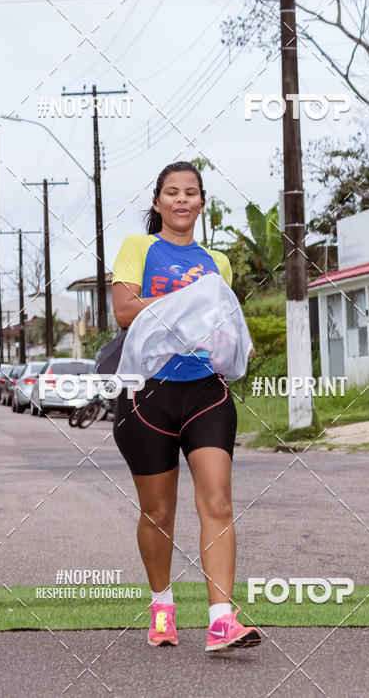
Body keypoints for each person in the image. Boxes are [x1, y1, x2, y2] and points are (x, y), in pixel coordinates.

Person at [112, 161, 261, 654]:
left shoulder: (218, 261)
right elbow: (125, 310)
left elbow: (223, 322)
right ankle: (161, 606)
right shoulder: (139, 247)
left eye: (190, 193)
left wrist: (239, 341)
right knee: (158, 512)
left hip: (205, 389)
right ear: (157, 203)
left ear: (201, 202)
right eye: (171, 193)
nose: (181, 200)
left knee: (217, 502)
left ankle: (222, 620)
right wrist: (188, 299)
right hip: (149, 393)